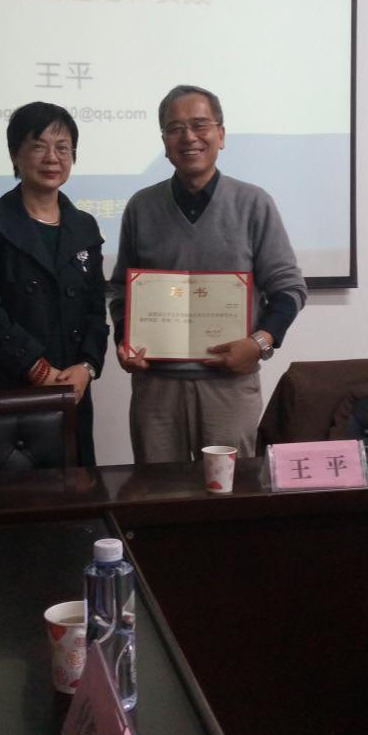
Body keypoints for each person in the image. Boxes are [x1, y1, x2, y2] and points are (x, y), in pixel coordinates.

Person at [110, 84, 306, 462]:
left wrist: (259, 343)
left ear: (221, 134)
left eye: (200, 125)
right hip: (156, 388)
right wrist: (124, 339)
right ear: (164, 142)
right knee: (158, 491)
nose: (189, 137)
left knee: (230, 492)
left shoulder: (253, 203)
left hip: (229, 387)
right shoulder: (141, 207)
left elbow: (289, 288)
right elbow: (121, 291)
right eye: (175, 128)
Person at [0, 101, 108, 465]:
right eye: (39, 146)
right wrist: (36, 368)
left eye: (63, 148)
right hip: (3, 391)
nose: (52, 158)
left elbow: (95, 310)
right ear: (15, 154)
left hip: (70, 391)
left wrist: (87, 367)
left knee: (75, 492)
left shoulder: (84, 225)